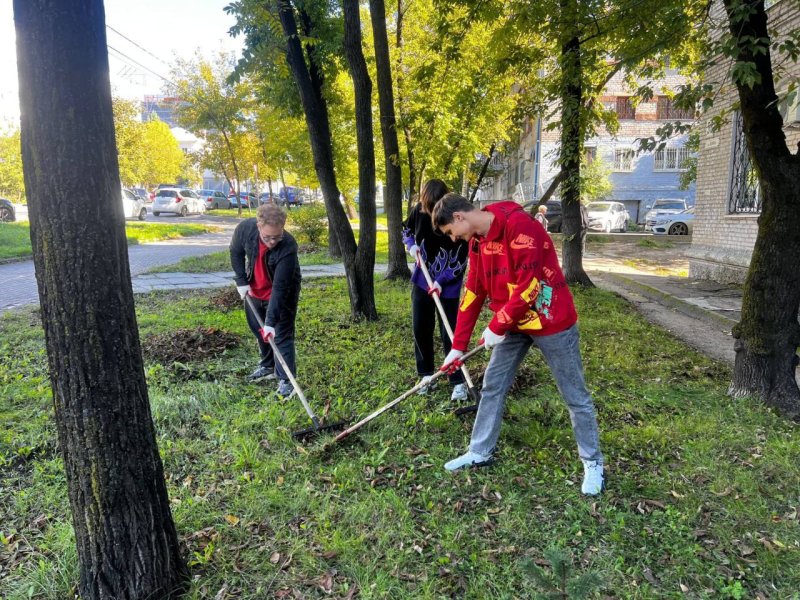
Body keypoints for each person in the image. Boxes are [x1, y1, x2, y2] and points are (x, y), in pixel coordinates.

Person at [431, 193, 604, 495]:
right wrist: (457, 347)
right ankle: (480, 451)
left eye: (450, 232)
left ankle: (592, 462)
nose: (454, 238)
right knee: (493, 385)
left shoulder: (522, 228)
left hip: (551, 320)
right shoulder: (477, 242)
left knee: (574, 394)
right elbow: (473, 292)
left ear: (459, 217)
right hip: (512, 324)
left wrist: (497, 325)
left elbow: (530, 285)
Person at [402, 180, 470, 401]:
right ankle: (426, 375)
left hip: (448, 285)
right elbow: (406, 229)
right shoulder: (419, 211)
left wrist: (441, 281)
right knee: (421, 327)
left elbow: (460, 260)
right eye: (427, 207)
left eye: (433, 208)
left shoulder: (456, 220)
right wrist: (411, 245)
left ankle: (457, 380)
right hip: (423, 280)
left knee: (450, 332)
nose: (430, 213)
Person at [230, 203, 302, 398]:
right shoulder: (245, 229)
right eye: (267, 237)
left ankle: (287, 379)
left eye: (276, 237)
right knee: (258, 329)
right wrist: (241, 280)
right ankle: (268, 365)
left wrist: (271, 322)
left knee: (280, 334)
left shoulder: (288, 245)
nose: (272, 242)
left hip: (281, 293)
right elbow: (235, 251)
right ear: (259, 226)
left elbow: (280, 288)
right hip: (254, 289)